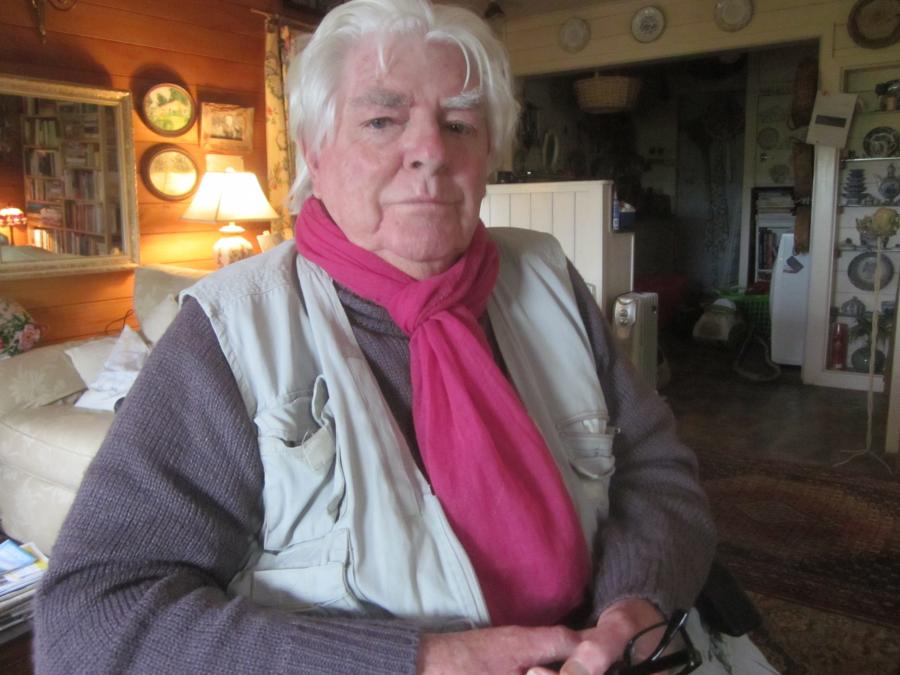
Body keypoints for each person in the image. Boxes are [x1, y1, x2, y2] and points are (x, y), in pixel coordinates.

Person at [34, 1, 774, 673]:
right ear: (315, 151)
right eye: (383, 120)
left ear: (487, 154)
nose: (431, 151)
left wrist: (633, 605)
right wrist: (417, 662)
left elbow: (656, 469)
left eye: (459, 124)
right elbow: (92, 620)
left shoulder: (547, 276)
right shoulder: (229, 331)